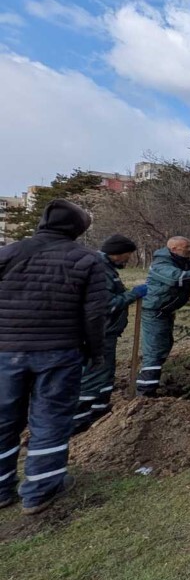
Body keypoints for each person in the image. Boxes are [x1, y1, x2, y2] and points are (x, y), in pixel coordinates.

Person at [0, 199, 107, 515]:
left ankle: (2, 488)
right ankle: (41, 489)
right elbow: (95, 313)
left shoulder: (7, 253)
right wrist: (95, 350)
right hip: (58, 352)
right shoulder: (86, 259)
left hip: (6, 351)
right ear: (76, 229)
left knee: (4, 418)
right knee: (51, 417)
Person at [73, 235, 147, 434]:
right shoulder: (100, 270)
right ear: (118, 253)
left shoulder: (104, 268)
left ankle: (99, 414)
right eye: (127, 255)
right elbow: (106, 305)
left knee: (104, 374)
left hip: (106, 332)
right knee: (93, 376)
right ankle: (78, 424)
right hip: (98, 333)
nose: (128, 260)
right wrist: (134, 294)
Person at [136, 237, 190, 397]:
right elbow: (178, 278)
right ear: (174, 248)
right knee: (155, 350)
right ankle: (144, 392)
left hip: (166, 311)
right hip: (154, 312)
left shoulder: (184, 262)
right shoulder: (161, 265)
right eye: (186, 247)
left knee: (164, 346)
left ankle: (150, 386)